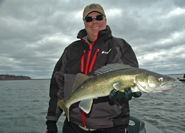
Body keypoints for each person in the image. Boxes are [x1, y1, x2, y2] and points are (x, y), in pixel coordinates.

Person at [46, 3, 142, 133]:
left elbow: (132, 74)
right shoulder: (70, 50)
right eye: (89, 19)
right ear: (84, 23)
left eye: (99, 17)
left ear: (105, 20)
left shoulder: (121, 46)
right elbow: (58, 86)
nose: (94, 22)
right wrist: (52, 120)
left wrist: (130, 90)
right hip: (73, 126)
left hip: (111, 127)